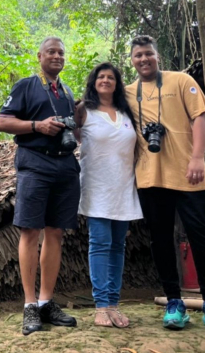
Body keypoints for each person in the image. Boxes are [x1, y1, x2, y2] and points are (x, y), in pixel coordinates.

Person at [124, 35, 205, 332]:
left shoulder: (181, 81)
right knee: (160, 240)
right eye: (137, 56)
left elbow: (200, 118)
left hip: (189, 174)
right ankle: (174, 302)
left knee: (202, 238)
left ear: (158, 56)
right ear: (132, 61)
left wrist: (198, 158)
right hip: (151, 178)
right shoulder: (128, 93)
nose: (143, 60)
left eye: (148, 54)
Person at [0, 36, 79, 336]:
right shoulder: (26, 86)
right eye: (51, 52)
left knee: (56, 232)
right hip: (34, 164)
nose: (57, 56)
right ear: (39, 56)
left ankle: (46, 301)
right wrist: (38, 126)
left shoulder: (67, 92)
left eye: (61, 52)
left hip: (65, 166)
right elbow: (2, 122)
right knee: (30, 231)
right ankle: (29, 305)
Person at [75, 62, 143, 328]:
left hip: (124, 187)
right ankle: (101, 306)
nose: (105, 80)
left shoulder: (128, 113)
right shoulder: (83, 111)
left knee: (118, 247)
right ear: (94, 82)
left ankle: (114, 304)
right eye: (100, 76)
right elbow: (71, 138)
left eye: (111, 77)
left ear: (117, 83)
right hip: (96, 187)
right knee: (100, 245)